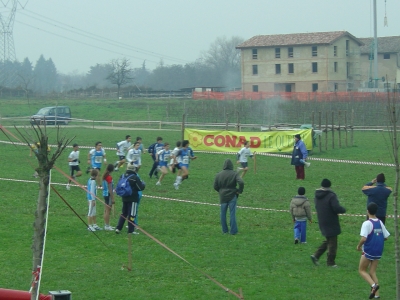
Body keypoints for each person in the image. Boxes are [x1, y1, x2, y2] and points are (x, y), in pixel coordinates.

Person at [357, 202, 390, 299]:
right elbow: (386, 237)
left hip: (369, 250)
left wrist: (358, 246)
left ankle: (373, 286)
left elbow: (364, 238)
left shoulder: (367, 223)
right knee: (372, 272)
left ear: (368, 211)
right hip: (378, 251)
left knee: (362, 270)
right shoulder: (379, 222)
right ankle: (377, 295)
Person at [310, 178, 346, 267]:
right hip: (331, 220)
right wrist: (343, 210)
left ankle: (316, 255)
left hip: (322, 219)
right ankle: (330, 262)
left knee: (329, 239)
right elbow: (336, 207)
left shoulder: (317, 195)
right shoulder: (331, 195)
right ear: (329, 186)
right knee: (333, 243)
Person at [213, 159, 244, 235]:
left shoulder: (218, 174)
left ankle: (224, 230)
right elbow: (241, 182)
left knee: (223, 213)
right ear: (231, 166)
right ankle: (233, 231)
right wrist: (239, 191)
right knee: (232, 213)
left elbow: (215, 186)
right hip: (232, 195)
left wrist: (220, 191)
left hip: (223, 196)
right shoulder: (234, 174)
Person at [115, 163, 145, 234]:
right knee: (132, 214)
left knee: (124, 213)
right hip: (133, 198)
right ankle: (131, 230)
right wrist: (143, 184)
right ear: (134, 169)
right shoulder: (134, 177)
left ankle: (118, 228)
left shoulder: (122, 176)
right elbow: (140, 187)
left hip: (124, 197)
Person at [102, 164, 115, 231]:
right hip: (108, 194)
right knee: (108, 210)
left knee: (106, 210)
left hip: (105, 194)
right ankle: (107, 225)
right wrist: (112, 198)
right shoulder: (109, 177)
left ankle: (107, 224)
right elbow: (110, 188)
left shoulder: (105, 176)